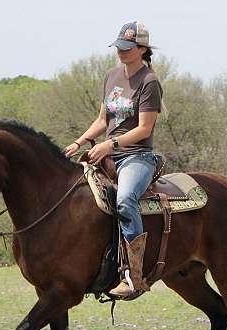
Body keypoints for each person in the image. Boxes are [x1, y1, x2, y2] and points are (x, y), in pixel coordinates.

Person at [64, 21, 163, 299]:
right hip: (107, 155)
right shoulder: (111, 76)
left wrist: (109, 144)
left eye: (127, 47)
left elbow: (144, 128)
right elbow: (102, 120)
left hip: (137, 157)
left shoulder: (149, 82)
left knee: (125, 200)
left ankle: (134, 276)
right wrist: (78, 142)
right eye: (119, 46)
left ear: (142, 49)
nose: (121, 51)